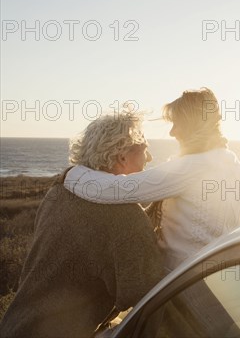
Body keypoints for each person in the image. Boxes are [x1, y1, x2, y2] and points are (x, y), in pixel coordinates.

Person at [0, 112, 163, 338]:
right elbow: (150, 297)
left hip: (14, 326)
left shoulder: (59, 192)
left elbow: (88, 243)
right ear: (122, 156)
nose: (151, 158)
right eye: (145, 148)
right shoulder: (124, 215)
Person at [63, 88, 240, 271]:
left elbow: (120, 189)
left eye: (177, 124)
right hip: (218, 277)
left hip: (182, 284)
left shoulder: (192, 167)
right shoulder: (232, 162)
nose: (172, 132)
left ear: (193, 125)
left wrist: (73, 173)